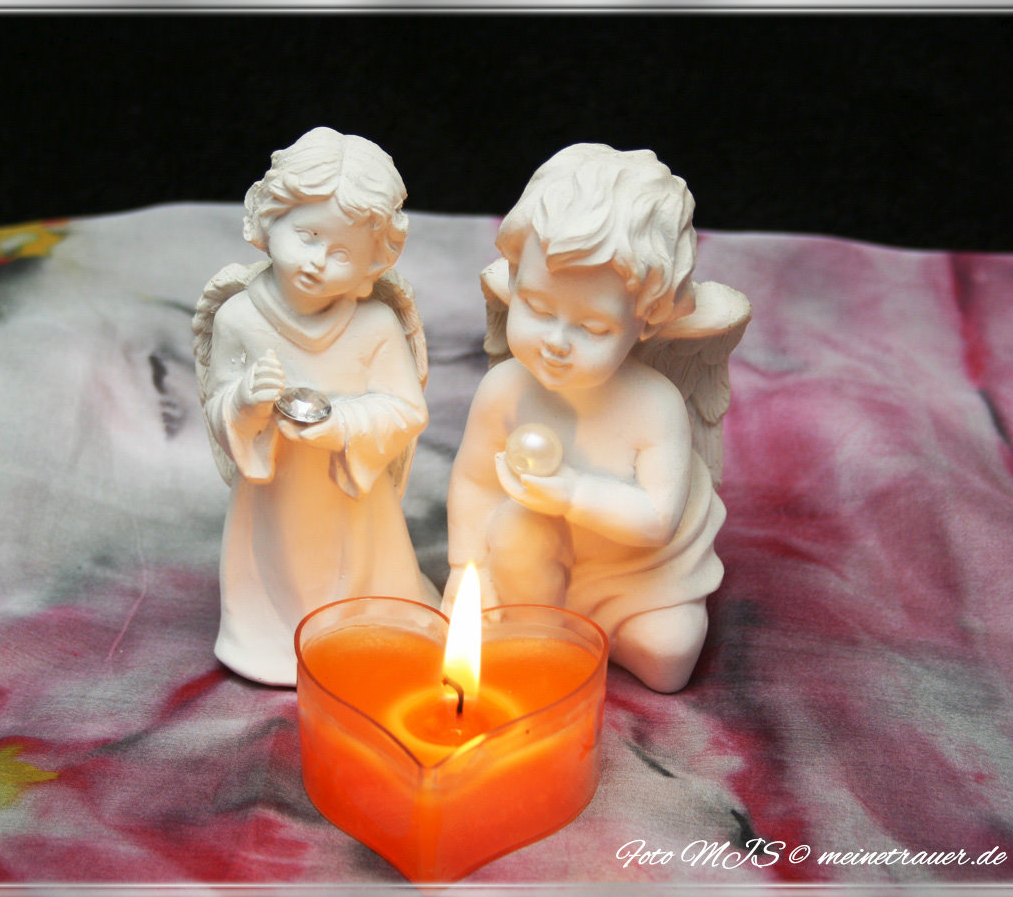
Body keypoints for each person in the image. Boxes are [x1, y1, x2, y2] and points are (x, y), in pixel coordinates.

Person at [445, 144, 741, 694]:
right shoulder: (505, 388)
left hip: (641, 568)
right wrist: (467, 572)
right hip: (534, 562)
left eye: (594, 329)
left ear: (645, 323)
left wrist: (573, 494)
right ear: (514, 280)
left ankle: (600, 623)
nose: (556, 342)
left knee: (667, 654)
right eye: (536, 307)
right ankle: (538, 629)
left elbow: (657, 519)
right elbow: (474, 482)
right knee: (516, 526)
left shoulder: (655, 405)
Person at [194, 128, 430, 686]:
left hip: (352, 501)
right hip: (273, 498)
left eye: (343, 252)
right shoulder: (239, 318)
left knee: (364, 581)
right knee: (279, 567)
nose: (318, 261)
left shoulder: (376, 324)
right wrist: (246, 402)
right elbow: (218, 406)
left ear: (373, 262)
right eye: (307, 235)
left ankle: (369, 628)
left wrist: (340, 424)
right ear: (268, 219)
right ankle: (271, 637)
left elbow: (406, 409)